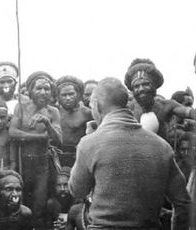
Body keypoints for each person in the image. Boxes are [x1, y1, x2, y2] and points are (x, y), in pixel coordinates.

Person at [69, 77, 191, 229]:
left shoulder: (89, 143)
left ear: (97, 105)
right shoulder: (161, 146)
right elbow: (183, 203)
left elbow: (77, 190)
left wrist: (88, 140)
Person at [9, 71, 62, 228]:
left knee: (39, 207)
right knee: (19, 205)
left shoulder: (53, 112)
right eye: (39, 88)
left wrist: (47, 123)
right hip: (22, 164)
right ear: (30, 90)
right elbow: (12, 133)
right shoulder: (21, 107)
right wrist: (41, 137)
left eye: (47, 89)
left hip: (42, 167)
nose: (43, 92)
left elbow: (59, 139)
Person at [125, 58, 196, 142]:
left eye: (146, 84)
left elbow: (189, 112)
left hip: (165, 153)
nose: (141, 89)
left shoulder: (166, 105)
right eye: (136, 86)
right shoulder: (128, 108)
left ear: (154, 86)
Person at [55, 75, 92, 167]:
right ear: (58, 97)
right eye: (64, 95)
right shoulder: (54, 112)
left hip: (78, 158)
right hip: (56, 157)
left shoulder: (87, 113)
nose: (68, 98)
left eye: (71, 94)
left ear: (78, 95)